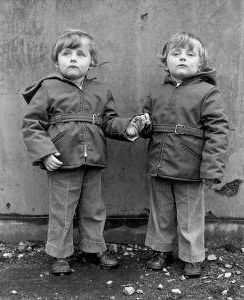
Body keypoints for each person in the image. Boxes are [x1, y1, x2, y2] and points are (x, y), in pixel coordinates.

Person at [21, 29, 146, 275]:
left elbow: (108, 122)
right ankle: (60, 254)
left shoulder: (100, 91)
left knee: (93, 208)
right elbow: (32, 124)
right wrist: (45, 153)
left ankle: (94, 249)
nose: (73, 58)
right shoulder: (48, 88)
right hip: (62, 161)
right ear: (56, 61)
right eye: (66, 54)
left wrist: (129, 127)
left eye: (80, 54)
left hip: (94, 161)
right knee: (62, 210)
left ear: (92, 62)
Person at [138, 32, 230, 277]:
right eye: (176, 54)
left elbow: (218, 132)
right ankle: (160, 250)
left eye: (190, 55)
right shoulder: (157, 93)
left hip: (190, 166)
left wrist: (212, 168)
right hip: (159, 162)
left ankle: (192, 256)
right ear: (165, 61)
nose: (182, 58)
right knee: (160, 212)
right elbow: (147, 125)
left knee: (190, 215)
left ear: (200, 63)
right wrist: (143, 125)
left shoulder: (208, 93)